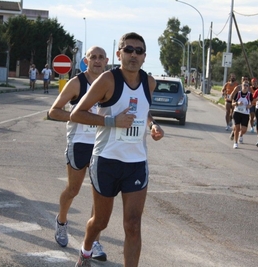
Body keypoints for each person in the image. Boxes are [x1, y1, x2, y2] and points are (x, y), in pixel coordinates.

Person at [70, 32, 164, 267]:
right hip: (106, 160)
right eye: (128, 49)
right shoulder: (107, 80)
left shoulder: (149, 82)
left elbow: (143, 111)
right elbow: (77, 113)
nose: (134, 54)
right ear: (119, 53)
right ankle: (86, 249)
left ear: (144, 57)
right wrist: (113, 122)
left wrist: (153, 125)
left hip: (136, 163)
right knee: (100, 221)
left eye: (139, 51)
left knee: (132, 224)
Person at [48, 46, 109, 261]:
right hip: (79, 143)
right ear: (86, 60)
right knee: (73, 189)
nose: (97, 61)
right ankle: (62, 222)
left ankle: (94, 241)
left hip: (102, 145)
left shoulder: (110, 83)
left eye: (101, 57)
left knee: (100, 194)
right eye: (93, 57)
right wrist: (77, 117)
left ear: (107, 60)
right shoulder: (77, 83)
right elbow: (53, 111)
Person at [231, 80, 253, 148]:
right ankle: (235, 143)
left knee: (244, 129)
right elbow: (233, 103)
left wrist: (249, 106)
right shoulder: (238, 94)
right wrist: (237, 103)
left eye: (247, 86)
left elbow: (252, 104)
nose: (245, 87)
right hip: (237, 112)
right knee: (237, 128)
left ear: (248, 87)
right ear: (241, 86)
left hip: (245, 114)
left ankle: (240, 135)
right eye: (244, 85)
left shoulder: (250, 95)